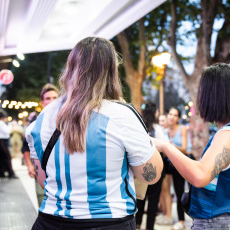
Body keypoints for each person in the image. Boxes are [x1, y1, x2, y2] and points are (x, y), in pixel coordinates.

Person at [25, 37, 163, 230]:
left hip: (50, 222)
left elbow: (44, 181)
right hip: (110, 223)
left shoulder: (42, 118)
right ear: (111, 72)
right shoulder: (122, 115)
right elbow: (151, 176)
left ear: (70, 69)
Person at [154, 63, 230, 230]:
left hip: (217, 224)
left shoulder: (227, 135)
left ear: (214, 95)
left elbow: (200, 175)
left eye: (202, 90)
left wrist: (165, 146)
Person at [22, 83, 59, 207]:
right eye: (48, 98)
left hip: (62, 173)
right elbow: (25, 147)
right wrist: (29, 166)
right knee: (42, 205)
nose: (52, 101)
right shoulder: (36, 123)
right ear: (42, 102)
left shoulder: (67, 120)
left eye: (55, 98)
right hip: (42, 171)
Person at [136, 102, 168, 230]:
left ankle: (137, 224)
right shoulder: (158, 129)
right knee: (154, 199)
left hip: (140, 167)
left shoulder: (139, 127)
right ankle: (150, 226)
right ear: (154, 113)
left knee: (140, 197)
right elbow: (165, 147)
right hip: (157, 168)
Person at [165, 107, 188, 230]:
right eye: (170, 114)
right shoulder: (164, 130)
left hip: (178, 164)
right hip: (166, 163)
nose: (171, 117)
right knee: (164, 191)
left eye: (175, 115)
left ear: (178, 118)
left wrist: (170, 145)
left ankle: (181, 220)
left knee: (179, 192)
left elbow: (184, 148)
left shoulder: (182, 129)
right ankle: (167, 215)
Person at [0, 110, 17, 178]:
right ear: (4, 118)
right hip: (2, 141)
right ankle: (10, 173)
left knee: (2, 157)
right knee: (7, 157)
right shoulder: (0, 123)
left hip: (2, 141)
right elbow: (7, 131)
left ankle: (1, 172)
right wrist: (10, 125)